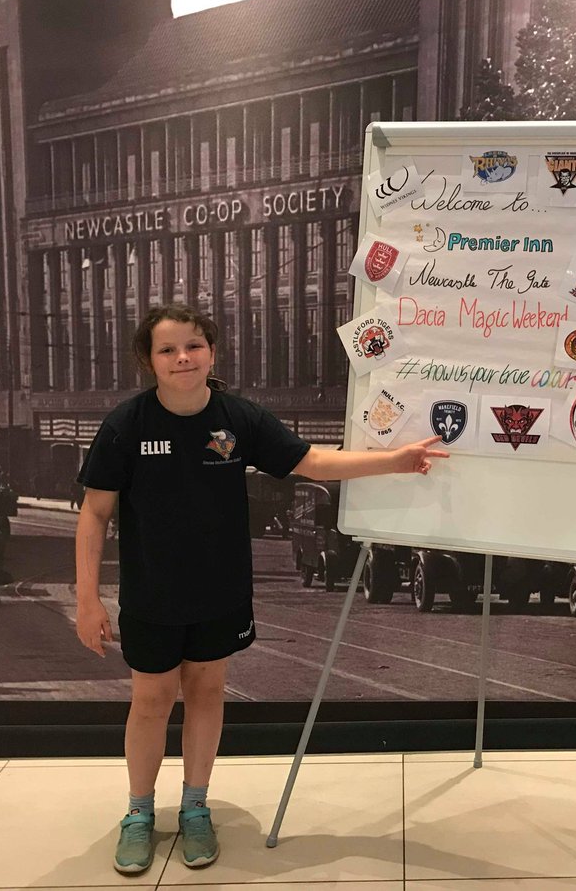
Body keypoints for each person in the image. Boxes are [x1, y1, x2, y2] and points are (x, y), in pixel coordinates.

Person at [74, 304, 446, 874]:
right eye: (168, 349)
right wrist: (86, 598)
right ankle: (139, 813)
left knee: (206, 693)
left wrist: (395, 461)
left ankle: (196, 807)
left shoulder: (239, 419)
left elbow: (312, 462)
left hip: (220, 592)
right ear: (148, 360)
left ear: (212, 352)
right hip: (151, 595)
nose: (182, 358)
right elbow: (94, 514)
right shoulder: (127, 425)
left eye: (194, 346)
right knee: (151, 701)